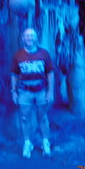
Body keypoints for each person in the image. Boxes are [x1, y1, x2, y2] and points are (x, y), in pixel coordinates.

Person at [11, 28, 55, 158]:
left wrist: (50, 91)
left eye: (32, 36)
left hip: (41, 90)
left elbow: (50, 73)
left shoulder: (44, 54)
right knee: (25, 118)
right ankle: (27, 143)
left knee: (43, 117)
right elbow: (14, 74)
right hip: (24, 91)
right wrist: (14, 92)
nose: (29, 38)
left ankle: (45, 142)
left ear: (36, 38)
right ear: (23, 38)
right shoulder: (18, 56)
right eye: (27, 36)